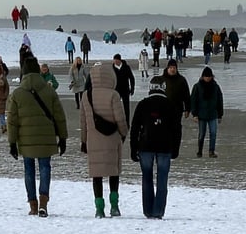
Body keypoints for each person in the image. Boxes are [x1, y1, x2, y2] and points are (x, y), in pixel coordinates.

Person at [7, 57, 67, 217]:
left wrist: (12, 142)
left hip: (25, 139)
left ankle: (33, 205)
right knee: (45, 167)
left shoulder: (18, 93)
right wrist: (63, 138)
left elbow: (12, 121)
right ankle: (43, 203)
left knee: (29, 170)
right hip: (46, 138)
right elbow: (59, 116)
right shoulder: (49, 90)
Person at [81, 62, 129, 218]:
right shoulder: (113, 95)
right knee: (113, 173)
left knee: (97, 175)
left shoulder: (86, 95)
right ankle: (114, 206)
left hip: (93, 139)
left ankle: (99, 208)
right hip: (112, 139)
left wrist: (84, 141)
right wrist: (123, 133)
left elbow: (83, 122)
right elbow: (121, 119)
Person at [130, 77, 182, 219]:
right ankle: (158, 211)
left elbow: (134, 128)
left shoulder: (143, 104)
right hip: (165, 147)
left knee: (146, 178)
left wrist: (133, 148)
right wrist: (176, 148)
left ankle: (148, 210)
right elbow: (177, 129)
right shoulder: (170, 105)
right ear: (163, 88)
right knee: (162, 179)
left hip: (145, 146)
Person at [190, 66, 224, 158]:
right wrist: (194, 114)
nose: (207, 78)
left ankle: (211, 151)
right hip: (201, 115)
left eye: (209, 76)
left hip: (213, 114)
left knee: (213, 133)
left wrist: (220, 114)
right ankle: (200, 151)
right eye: (206, 76)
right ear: (202, 77)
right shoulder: (197, 87)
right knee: (201, 134)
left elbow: (220, 100)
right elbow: (193, 100)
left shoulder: (216, 87)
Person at [112, 54, 135, 123]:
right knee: (115, 106)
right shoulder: (112, 68)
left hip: (125, 90)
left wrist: (132, 88)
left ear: (119, 60)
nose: (115, 61)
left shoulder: (126, 67)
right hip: (116, 90)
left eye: (116, 60)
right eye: (114, 60)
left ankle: (127, 122)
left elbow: (131, 78)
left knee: (126, 107)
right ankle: (116, 121)